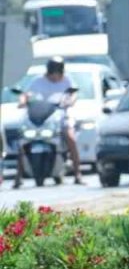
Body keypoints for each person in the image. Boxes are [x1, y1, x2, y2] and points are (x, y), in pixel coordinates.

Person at [15, 57, 81, 187]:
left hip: (60, 115)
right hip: (41, 117)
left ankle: (78, 173)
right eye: (53, 73)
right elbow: (26, 94)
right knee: (22, 142)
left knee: (70, 138)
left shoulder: (67, 80)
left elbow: (73, 94)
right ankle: (18, 177)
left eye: (58, 73)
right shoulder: (38, 81)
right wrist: (23, 101)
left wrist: (69, 101)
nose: (55, 77)